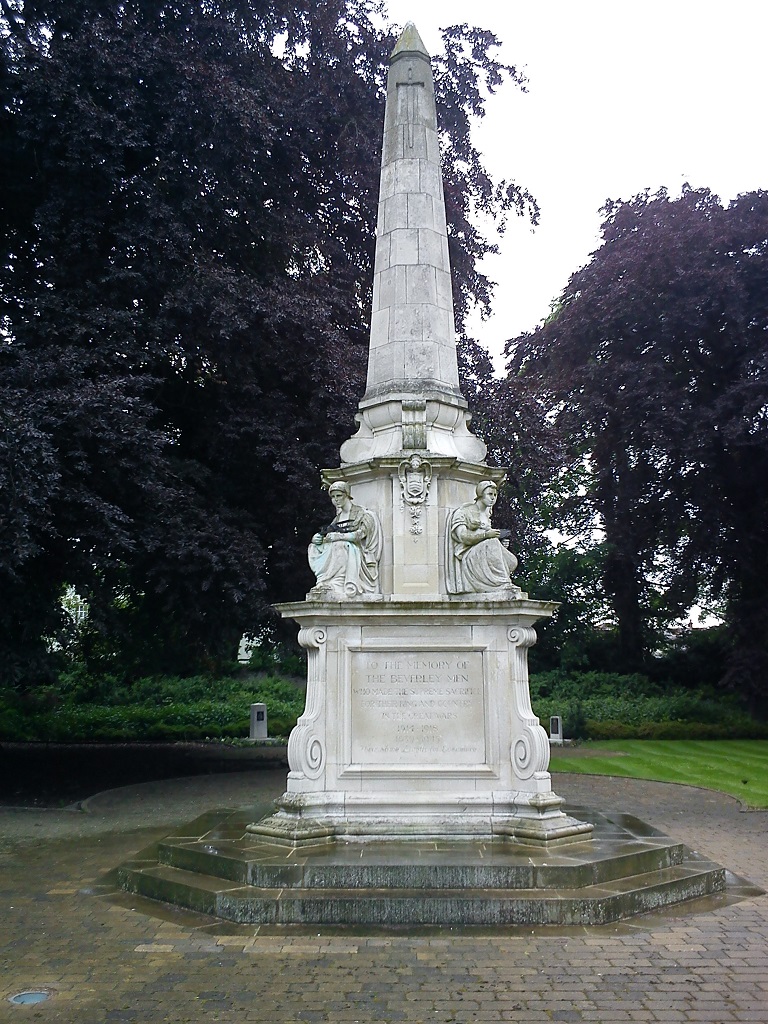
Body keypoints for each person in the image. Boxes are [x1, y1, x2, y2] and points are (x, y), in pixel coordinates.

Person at [308, 481, 383, 598]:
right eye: (333, 497)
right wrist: (318, 539)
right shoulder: (337, 518)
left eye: (339, 496)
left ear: (347, 495)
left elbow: (361, 534)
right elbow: (328, 535)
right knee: (314, 547)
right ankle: (324, 580)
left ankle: (337, 583)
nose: (335, 500)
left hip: (357, 551)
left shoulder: (362, 514)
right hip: (342, 551)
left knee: (340, 545)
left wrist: (339, 537)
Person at [445, 480, 518, 594]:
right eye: (490, 494)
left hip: (483, 550)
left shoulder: (487, 513)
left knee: (512, 561)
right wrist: (486, 535)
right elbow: (463, 536)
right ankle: (502, 583)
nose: (493, 498)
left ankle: (496, 582)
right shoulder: (464, 511)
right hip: (467, 553)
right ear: (480, 494)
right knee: (492, 542)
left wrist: (500, 545)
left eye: (495, 495)